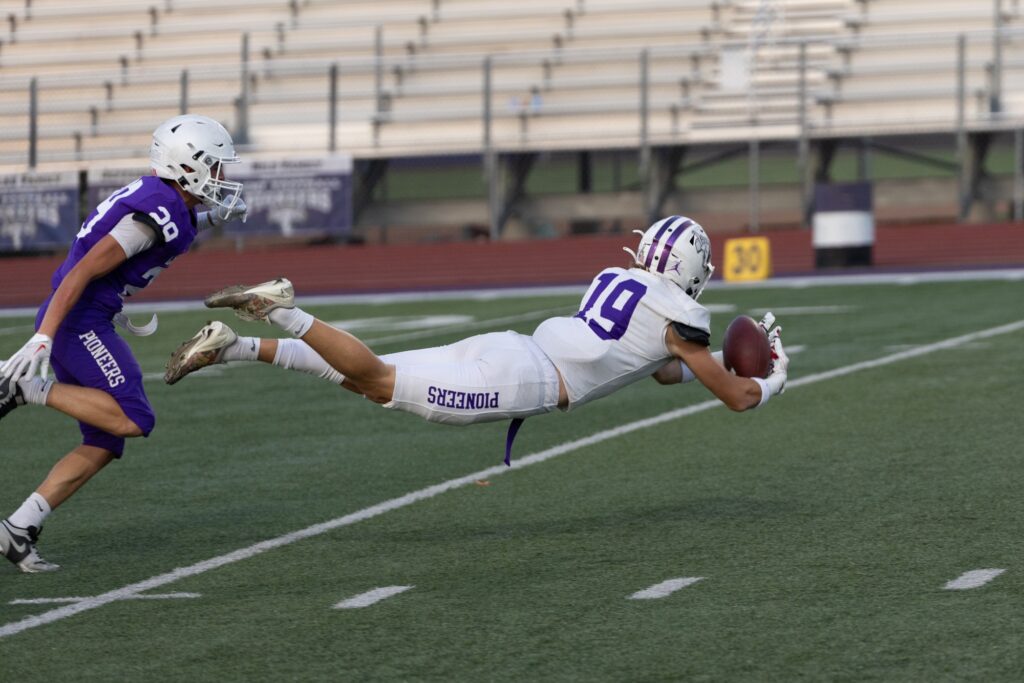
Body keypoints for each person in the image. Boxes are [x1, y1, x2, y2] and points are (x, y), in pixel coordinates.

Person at [164, 216, 790, 466]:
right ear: (691, 270)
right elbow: (734, 397)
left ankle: (233, 346)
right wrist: (771, 379)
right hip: (527, 381)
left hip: (512, 347)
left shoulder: (616, 276)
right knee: (379, 383)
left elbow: (659, 368)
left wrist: (716, 369)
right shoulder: (681, 317)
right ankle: (283, 313)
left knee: (365, 377)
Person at [0, 114, 249, 573]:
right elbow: (82, 271)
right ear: (186, 165)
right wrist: (44, 336)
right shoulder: (154, 213)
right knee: (134, 418)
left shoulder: (167, 199)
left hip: (89, 317)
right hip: (79, 320)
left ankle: (18, 528)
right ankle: (23, 390)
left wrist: (213, 216)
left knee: (106, 439)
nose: (221, 177)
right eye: (213, 166)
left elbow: (169, 230)